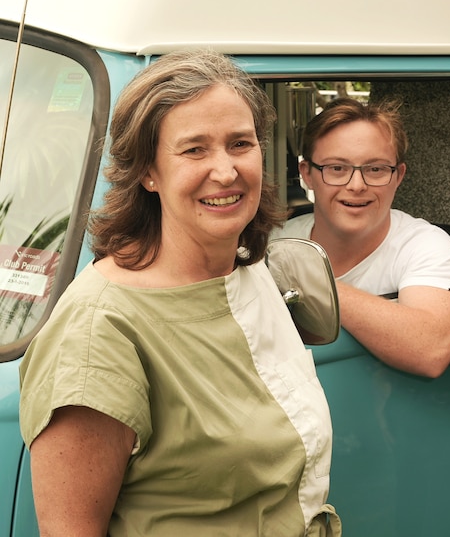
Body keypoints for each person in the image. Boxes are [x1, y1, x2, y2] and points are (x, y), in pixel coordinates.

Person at [18, 49, 341, 536]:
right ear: (148, 171)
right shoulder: (97, 332)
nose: (226, 171)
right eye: (194, 149)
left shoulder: (247, 270)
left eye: (240, 143)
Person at [273, 98, 450, 378]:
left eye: (375, 169)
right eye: (336, 168)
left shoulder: (428, 247)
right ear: (307, 174)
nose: (356, 186)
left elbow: (431, 350)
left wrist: (311, 283)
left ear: (398, 176)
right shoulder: (275, 242)